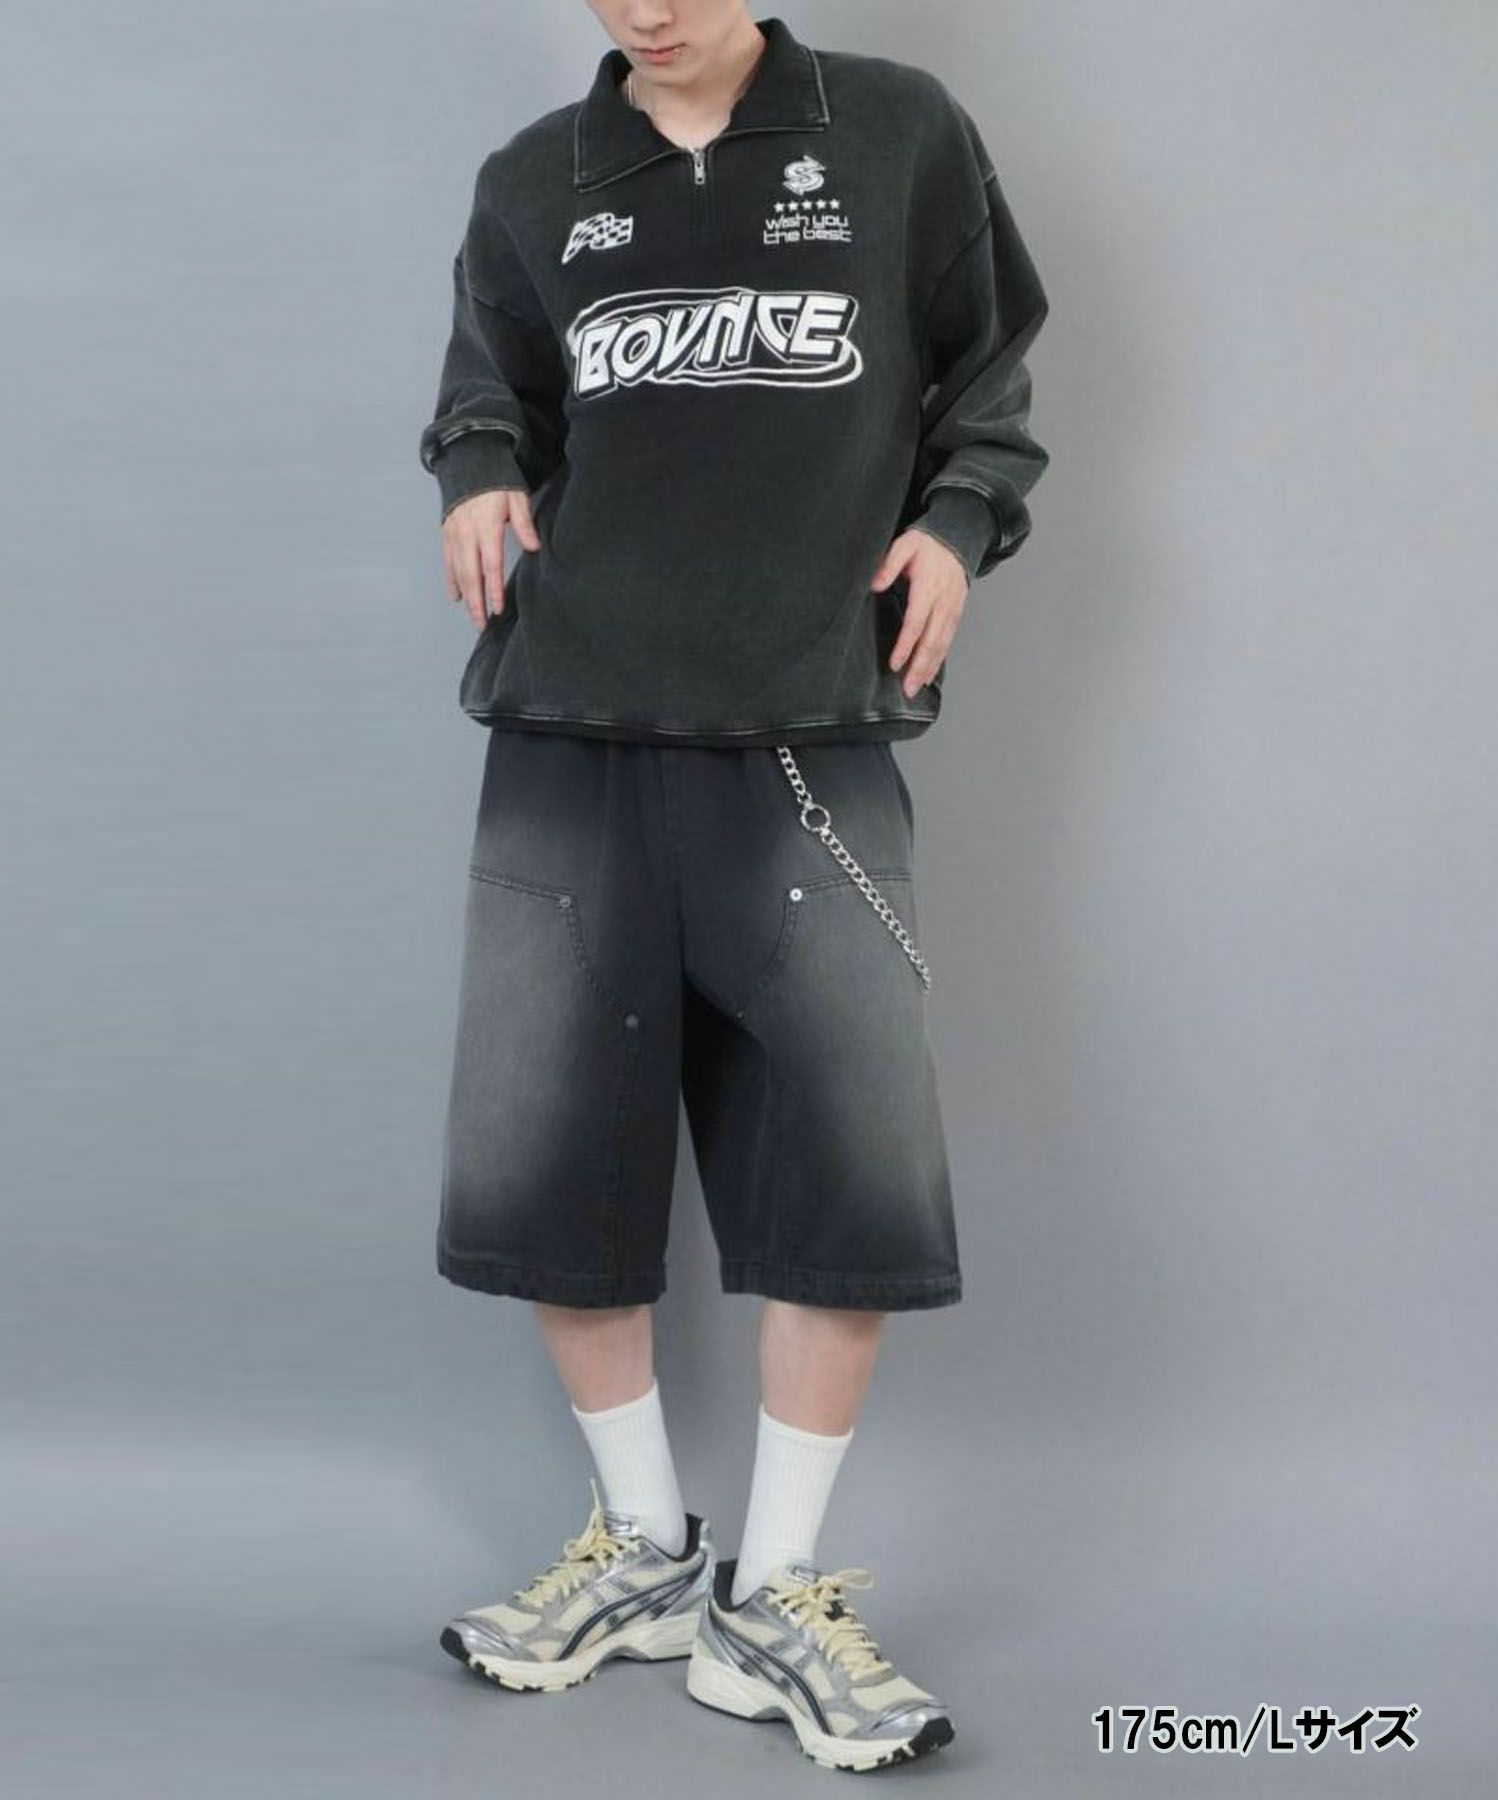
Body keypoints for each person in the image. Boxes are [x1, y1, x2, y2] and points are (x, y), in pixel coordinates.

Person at [417, 2, 1048, 1771]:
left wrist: (957, 523)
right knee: (552, 1159)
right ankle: (639, 1549)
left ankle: (772, 1597)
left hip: (805, 727)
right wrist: (476, 469)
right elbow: (483, 391)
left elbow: (988, 377)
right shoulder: (535, 177)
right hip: (570, 725)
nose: (646, 6)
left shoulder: (896, 133)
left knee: (844, 1168)